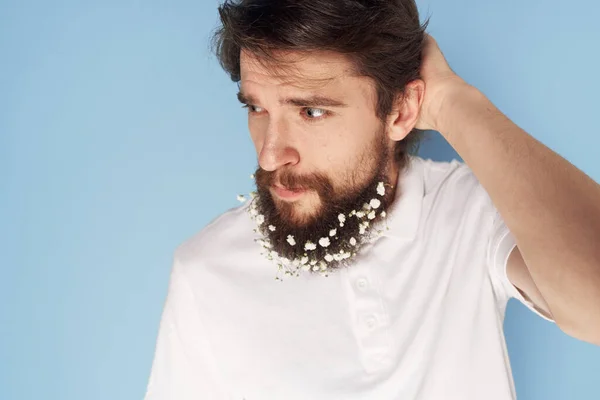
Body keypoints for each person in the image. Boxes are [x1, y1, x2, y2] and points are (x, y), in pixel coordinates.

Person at [144, 1, 600, 399]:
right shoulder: (205, 271)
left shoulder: (470, 211)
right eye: (257, 107)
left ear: (400, 111)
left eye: (311, 111)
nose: (269, 154)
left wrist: (452, 103)